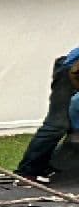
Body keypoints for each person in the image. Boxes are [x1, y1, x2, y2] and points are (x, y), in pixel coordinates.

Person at [16, 45, 79, 182]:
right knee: (57, 125)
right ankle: (28, 172)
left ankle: (55, 168)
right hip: (73, 69)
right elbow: (75, 100)